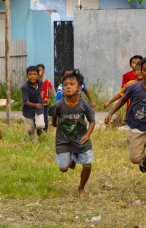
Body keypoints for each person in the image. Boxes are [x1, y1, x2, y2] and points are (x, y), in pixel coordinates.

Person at [105, 56, 146, 195]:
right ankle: (145, 158)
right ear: (140, 71)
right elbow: (123, 100)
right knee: (135, 158)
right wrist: (111, 112)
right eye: (145, 70)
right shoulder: (134, 87)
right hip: (136, 129)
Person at [49, 69, 96, 198]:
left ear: (79, 88)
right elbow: (53, 119)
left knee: (87, 165)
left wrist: (88, 135)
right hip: (63, 140)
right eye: (65, 84)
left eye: (72, 84)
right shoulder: (58, 105)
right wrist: (55, 123)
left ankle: (81, 188)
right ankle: (71, 159)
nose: (68, 87)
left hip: (81, 139)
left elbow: (92, 121)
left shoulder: (84, 104)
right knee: (63, 169)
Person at [22, 66, 45, 142]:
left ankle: (39, 129)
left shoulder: (40, 82)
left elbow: (38, 93)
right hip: (28, 108)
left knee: (40, 124)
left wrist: (38, 103)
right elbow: (26, 101)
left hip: (39, 105)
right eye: (30, 74)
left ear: (38, 76)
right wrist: (35, 105)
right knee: (29, 129)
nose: (32, 76)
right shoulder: (25, 87)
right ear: (27, 76)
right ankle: (34, 142)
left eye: (35, 74)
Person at [36, 64, 57, 132]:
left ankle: (45, 129)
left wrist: (54, 93)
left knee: (45, 116)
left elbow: (52, 87)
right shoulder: (35, 81)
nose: (38, 72)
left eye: (40, 71)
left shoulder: (47, 81)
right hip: (37, 102)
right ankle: (37, 128)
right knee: (38, 115)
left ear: (44, 72)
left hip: (45, 102)